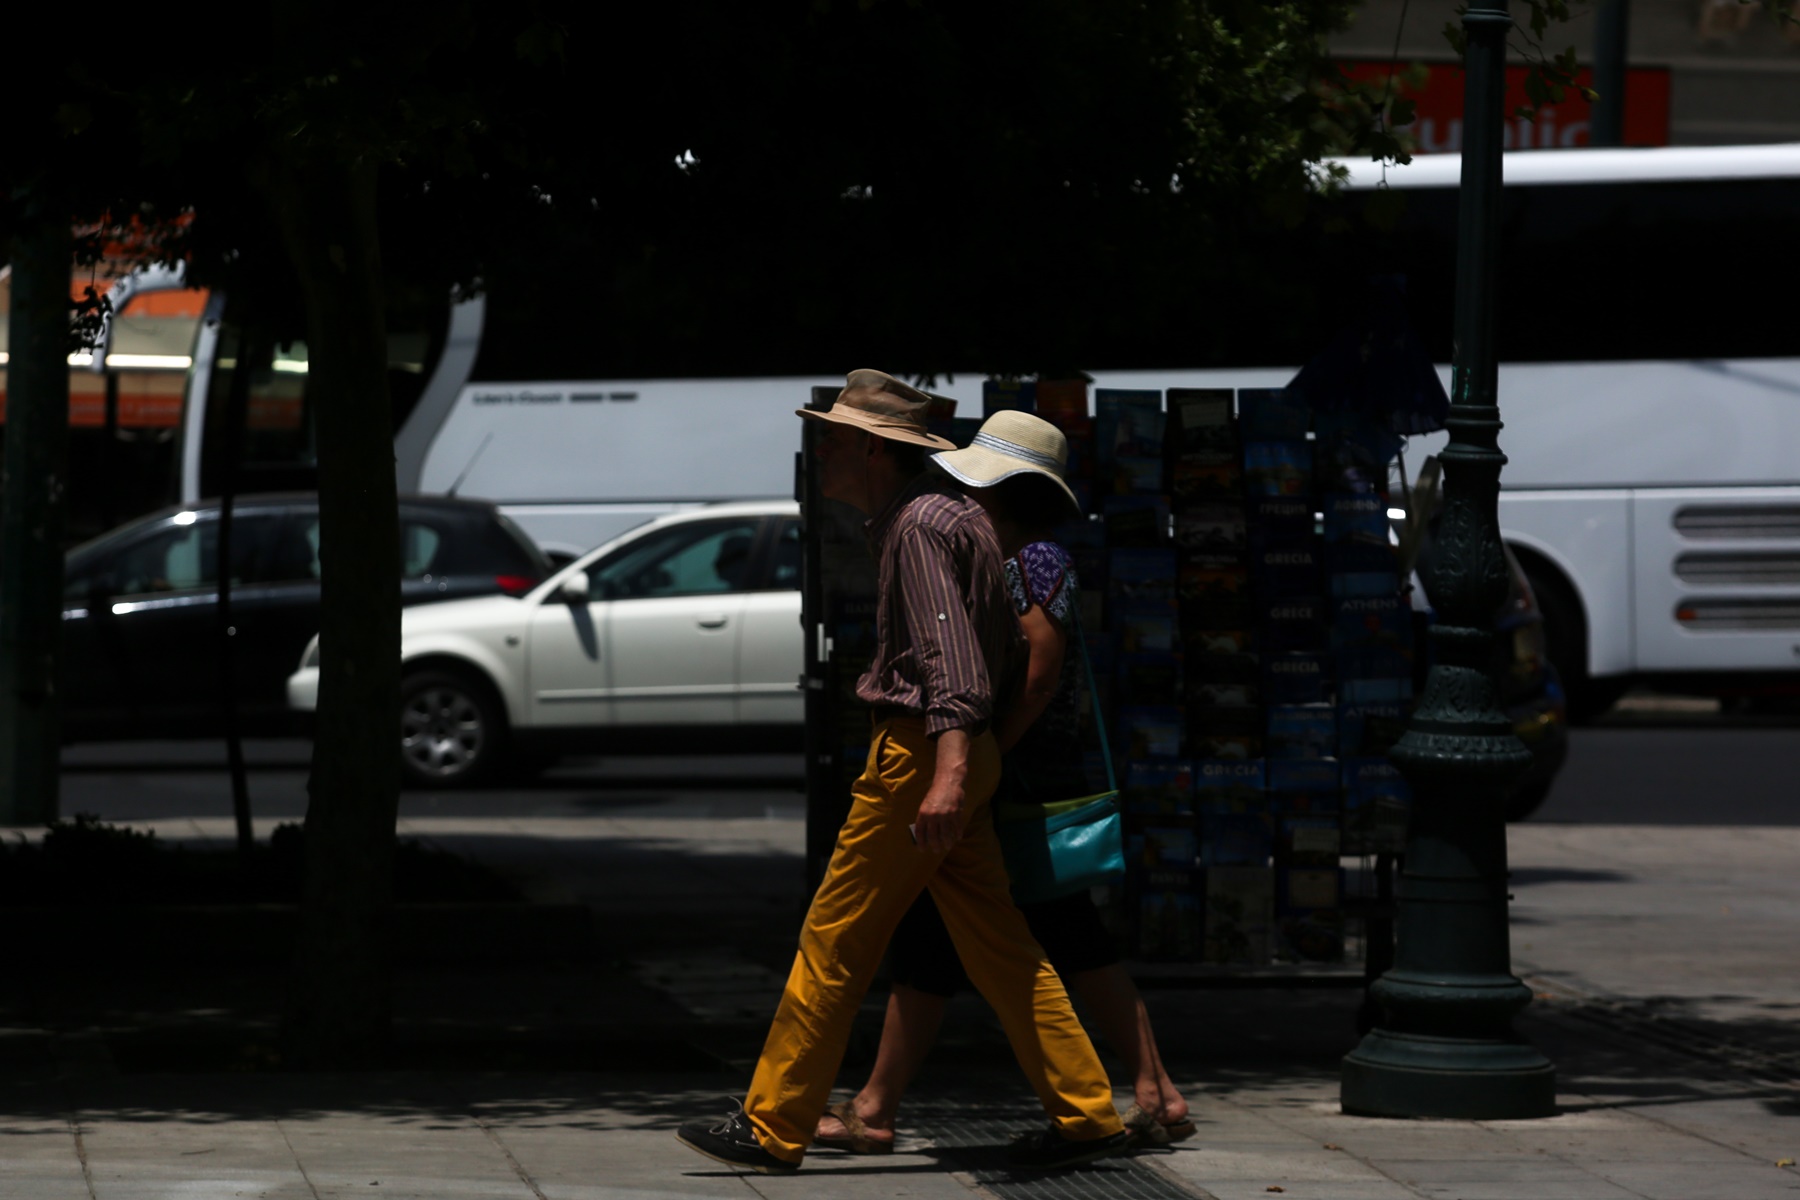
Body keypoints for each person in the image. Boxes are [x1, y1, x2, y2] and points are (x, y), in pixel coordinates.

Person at [676, 371, 1129, 1175]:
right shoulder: (945, 518)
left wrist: (947, 772)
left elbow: (952, 657)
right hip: (956, 749)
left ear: (876, 452)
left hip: (921, 753)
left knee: (835, 935)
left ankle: (774, 1121)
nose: (822, 452)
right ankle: (1087, 1110)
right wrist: (968, 761)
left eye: (835, 438)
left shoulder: (919, 525)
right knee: (1000, 945)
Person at [814, 409, 1195, 1154]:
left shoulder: (1030, 559)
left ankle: (1150, 1090)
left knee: (1056, 935)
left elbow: (1041, 667)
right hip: (1006, 768)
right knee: (976, 936)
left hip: (1022, 777)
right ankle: (878, 1104)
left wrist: (976, 757)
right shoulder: (1006, 553)